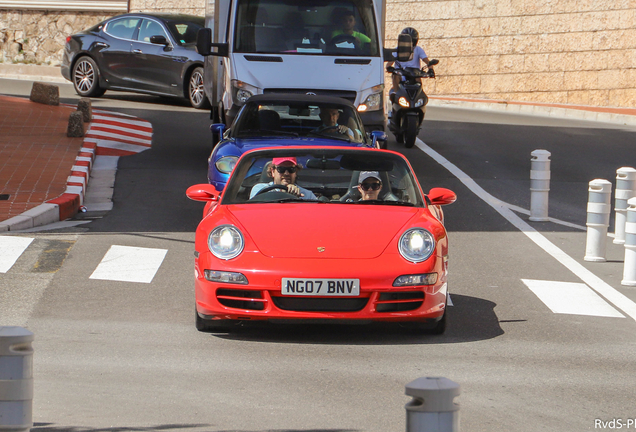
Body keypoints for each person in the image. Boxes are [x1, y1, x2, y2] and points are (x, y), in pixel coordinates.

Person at [389, 27, 432, 95]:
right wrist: (389, 67)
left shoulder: (418, 49)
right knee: (395, 76)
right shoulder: (397, 50)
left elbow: (427, 61)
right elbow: (389, 63)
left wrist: (431, 69)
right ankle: (396, 94)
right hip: (401, 73)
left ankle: (419, 96)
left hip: (414, 74)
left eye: (412, 41)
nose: (409, 43)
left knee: (418, 79)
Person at [250, 157, 317, 200]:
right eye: (281, 169)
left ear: (295, 172)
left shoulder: (308, 195)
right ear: (273, 172)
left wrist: (298, 199)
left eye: (291, 169)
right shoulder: (259, 189)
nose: (286, 173)